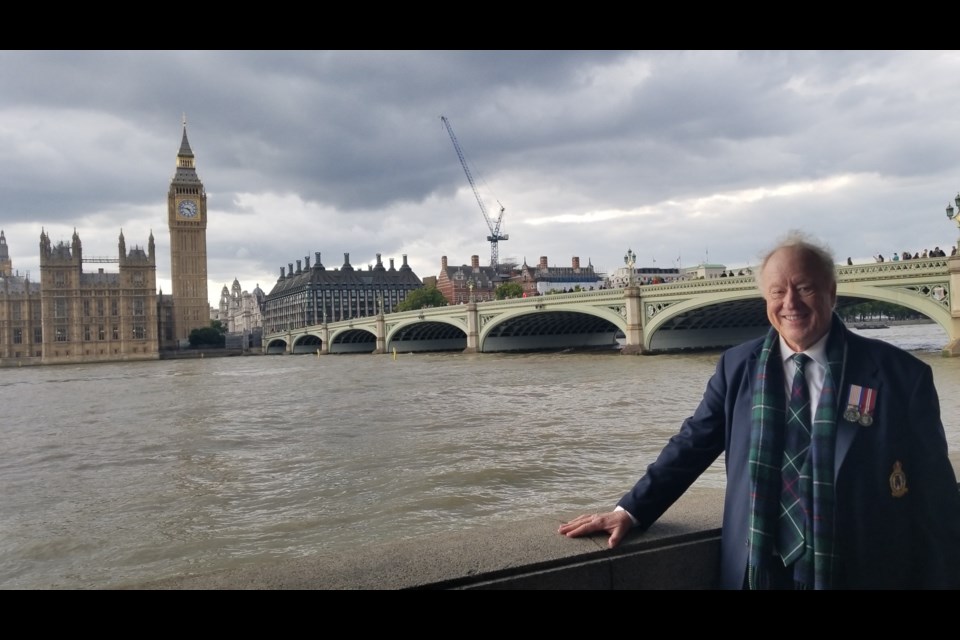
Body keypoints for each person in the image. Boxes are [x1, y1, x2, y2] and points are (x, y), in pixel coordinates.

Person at [559, 231, 960, 589]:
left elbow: (935, 494)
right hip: (757, 569)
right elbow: (693, 443)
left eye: (804, 288)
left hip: (859, 569)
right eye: (777, 292)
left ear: (832, 292)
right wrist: (630, 510)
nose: (790, 304)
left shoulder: (901, 376)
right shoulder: (737, 367)